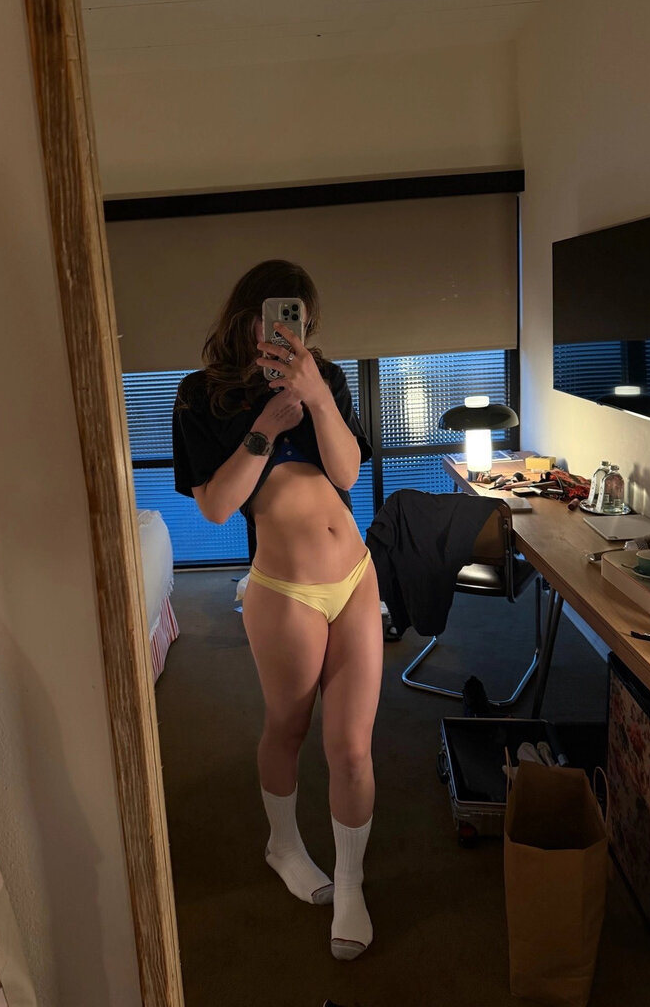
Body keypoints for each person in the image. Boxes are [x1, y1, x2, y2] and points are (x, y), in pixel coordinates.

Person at [172, 259, 382, 960]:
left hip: (355, 577)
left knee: (352, 747)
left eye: (304, 321)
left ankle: (349, 883)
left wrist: (317, 396)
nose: (295, 332)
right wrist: (265, 424)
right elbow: (217, 505)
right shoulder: (200, 395)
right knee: (288, 729)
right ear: (252, 317)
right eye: (285, 318)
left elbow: (347, 474)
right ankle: (283, 845)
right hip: (284, 590)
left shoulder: (328, 378)